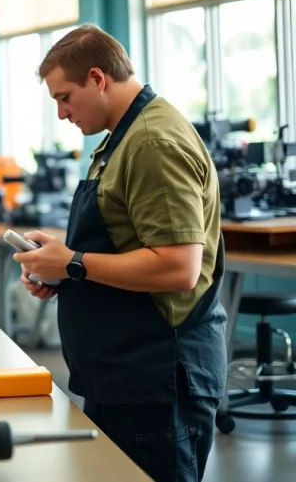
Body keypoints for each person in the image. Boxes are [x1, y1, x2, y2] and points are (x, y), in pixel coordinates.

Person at [12, 25, 226, 482]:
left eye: (64, 97)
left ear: (97, 78)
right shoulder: (120, 139)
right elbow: (123, 245)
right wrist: (63, 269)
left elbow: (178, 266)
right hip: (120, 373)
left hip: (157, 379)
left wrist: (73, 263)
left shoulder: (151, 142)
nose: (62, 112)